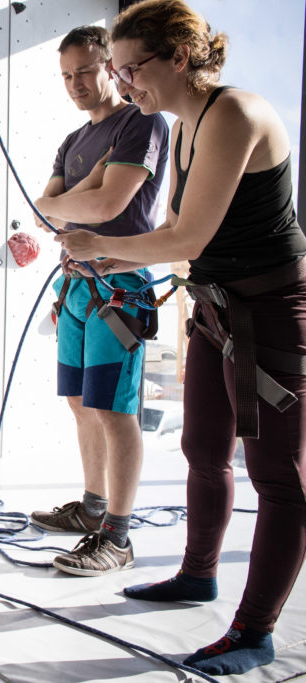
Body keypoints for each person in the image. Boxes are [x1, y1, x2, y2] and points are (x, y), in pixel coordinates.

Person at [56, 0, 306, 675]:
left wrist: (97, 238)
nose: (124, 82)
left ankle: (255, 631)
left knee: (279, 477)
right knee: (202, 449)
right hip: (217, 307)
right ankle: (198, 574)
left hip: (273, 312)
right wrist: (109, 258)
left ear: (180, 58)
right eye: (117, 69)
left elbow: (187, 237)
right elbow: (172, 244)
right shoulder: (181, 125)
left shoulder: (233, 113)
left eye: (131, 69)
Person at [29, 25, 169, 577]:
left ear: (112, 65)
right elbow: (44, 212)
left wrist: (79, 194)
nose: (76, 84)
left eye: (85, 70)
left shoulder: (143, 122)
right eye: (66, 76)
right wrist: (77, 193)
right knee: (82, 404)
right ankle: (91, 510)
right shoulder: (73, 141)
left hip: (119, 289)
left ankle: (118, 534)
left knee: (114, 410)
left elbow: (112, 202)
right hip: (75, 286)